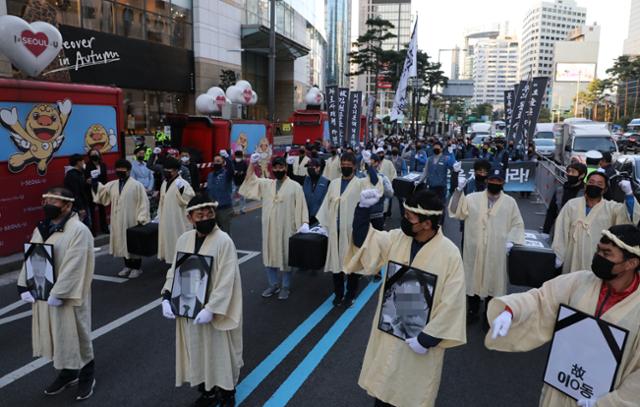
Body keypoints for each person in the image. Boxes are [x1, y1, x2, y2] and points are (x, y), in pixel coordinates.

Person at [486, 224, 640, 407]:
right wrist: (512, 311)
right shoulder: (581, 281)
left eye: (607, 254)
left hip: (600, 398)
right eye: (598, 250)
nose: (599, 257)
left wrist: (608, 403)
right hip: (560, 388)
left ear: (631, 263)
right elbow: (542, 298)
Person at [345, 189, 466, 407]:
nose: (404, 220)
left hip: (419, 341)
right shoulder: (397, 239)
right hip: (390, 330)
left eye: (409, 217)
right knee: (383, 391)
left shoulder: (450, 254)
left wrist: (428, 338)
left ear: (427, 224)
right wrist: (362, 210)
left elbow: (453, 302)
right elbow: (366, 241)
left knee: (409, 393)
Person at [161, 195, 242, 407]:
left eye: (210, 214)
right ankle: (206, 391)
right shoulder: (183, 240)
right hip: (189, 308)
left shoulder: (224, 241)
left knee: (219, 353)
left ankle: (227, 393)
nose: (206, 218)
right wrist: (167, 296)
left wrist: (211, 308)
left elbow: (227, 279)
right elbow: (175, 271)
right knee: (196, 349)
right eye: (200, 215)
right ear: (190, 218)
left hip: (213, 311)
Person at [17, 187, 96, 400]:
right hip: (44, 292)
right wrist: (24, 284)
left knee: (77, 334)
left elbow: (76, 265)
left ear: (68, 206)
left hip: (68, 295)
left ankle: (88, 375)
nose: (48, 205)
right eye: (46, 201)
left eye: (54, 202)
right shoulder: (42, 228)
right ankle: (68, 373)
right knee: (58, 335)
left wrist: (59, 292)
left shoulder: (79, 230)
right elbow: (33, 255)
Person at [449, 168, 525, 327]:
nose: (494, 183)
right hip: (474, 250)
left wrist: (511, 241)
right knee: (473, 280)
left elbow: (517, 224)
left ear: (503, 183)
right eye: (492, 180)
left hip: (496, 251)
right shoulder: (471, 198)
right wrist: (457, 191)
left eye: (498, 181)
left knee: (494, 282)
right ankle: (472, 311)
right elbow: (456, 211)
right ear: (486, 181)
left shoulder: (510, 202)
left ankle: (489, 315)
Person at [316, 152, 381, 307]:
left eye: (348, 164)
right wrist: (324, 225)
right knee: (336, 264)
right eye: (343, 164)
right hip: (335, 231)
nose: (345, 166)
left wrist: (369, 165)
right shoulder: (333, 184)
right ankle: (338, 294)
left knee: (352, 265)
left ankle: (350, 295)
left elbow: (376, 184)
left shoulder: (360, 183)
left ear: (354, 166)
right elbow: (327, 205)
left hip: (352, 232)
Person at [239, 155, 308, 300]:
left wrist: (304, 223)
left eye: (281, 167)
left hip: (287, 227)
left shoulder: (295, 187)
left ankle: (285, 286)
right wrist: (252, 164)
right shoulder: (267, 184)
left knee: (286, 256)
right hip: (270, 228)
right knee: (270, 255)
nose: (278, 170)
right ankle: (273, 284)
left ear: (286, 168)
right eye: (275, 167)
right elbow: (250, 180)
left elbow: (301, 207)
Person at [552, 171, 640, 274]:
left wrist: (629, 194)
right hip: (572, 256)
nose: (594, 185)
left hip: (597, 257)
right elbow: (561, 230)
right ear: (586, 185)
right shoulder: (572, 205)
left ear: (604, 190)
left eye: (599, 184)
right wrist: (559, 253)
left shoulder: (612, 208)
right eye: (591, 182)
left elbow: (629, 216)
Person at [90, 159, 150, 278]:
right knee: (122, 243)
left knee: (133, 244)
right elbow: (102, 194)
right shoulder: (113, 184)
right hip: (118, 219)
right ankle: (127, 266)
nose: (120, 171)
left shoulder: (136, 185)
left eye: (123, 169)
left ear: (128, 171)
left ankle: (136, 268)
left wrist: (141, 218)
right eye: (118, 169)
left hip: (132, 219)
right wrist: (95, 182)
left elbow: (143, 202)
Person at [158, 157, 196, 264]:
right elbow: (162, 201)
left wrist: (181, 191)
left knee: (179, 243)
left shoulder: (182, 183)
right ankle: (172, 263)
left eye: (168, 170)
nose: (166, 172)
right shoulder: (164, 183)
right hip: (166, 219)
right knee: (169, 243)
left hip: (178, 220)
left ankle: (180, 265)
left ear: (175, 170)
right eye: (165, 169)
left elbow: (189, 198)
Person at [542, 162, 588, 234]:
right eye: (568, 171)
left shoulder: (586, 192)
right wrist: (546, 231)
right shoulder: (560, 190)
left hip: (578, 231)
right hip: (559, 229)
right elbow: (551, 212)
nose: (569, 174)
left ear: (582, 175)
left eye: (573, 172)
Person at [286, 157, 329, 225]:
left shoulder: (327, 182)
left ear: (318, 168)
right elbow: (292, 177)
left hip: (320, 219)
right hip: (306, 218)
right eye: (308, 167)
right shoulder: (305, 179)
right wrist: (290, 165)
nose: (309, 168)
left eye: (312, 166)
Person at [206, 150, 234, 234]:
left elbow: (231, 169)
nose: (216, 163)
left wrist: (227, 157)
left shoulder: (227, 174)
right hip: (212, 209)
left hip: (224, 209)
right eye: (214, 161)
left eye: (218, 161)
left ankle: (227, 247)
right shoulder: (210, 175)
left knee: (225, 233)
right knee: (213, 233)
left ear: (223, 163)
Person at [64, 154, 91, 228]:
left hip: (83, 204)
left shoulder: (80, 173)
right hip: (77, 207)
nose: (84, 163)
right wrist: (81, 208)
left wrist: (86, 182)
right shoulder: (72, 175)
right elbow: (75, 193)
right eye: (82, 161)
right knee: (83, 228)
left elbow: (81, 187)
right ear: (78, 162)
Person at [85, 150, 108, 234]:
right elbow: (85, 178)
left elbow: (105, 177)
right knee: (92, 211)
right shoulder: (87, 165)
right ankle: (94, 230)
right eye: (92, 154)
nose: (94, 155)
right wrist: (87, 181)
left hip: (101, 189)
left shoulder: (103, 165)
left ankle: (104, 228)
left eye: (96, 153)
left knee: (102, 210)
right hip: (91, 191)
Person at [232, 149, 248, 214]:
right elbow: (230, 170)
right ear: (235, 156)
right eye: (237, 156)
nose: (238, 158)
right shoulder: (232, 162)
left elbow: (246, 171)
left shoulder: (244, 163)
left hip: (242, 181)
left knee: (242, 196)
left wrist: (242, 172)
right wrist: (234, 172)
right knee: (232, 195)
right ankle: (231, 209)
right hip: (234, 181)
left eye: (239, 156)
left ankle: (242, 209)